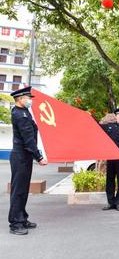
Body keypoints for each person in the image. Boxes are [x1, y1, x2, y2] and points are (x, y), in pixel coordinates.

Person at [8, 86, 48, 235]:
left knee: (23, 190)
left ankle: (22, 217)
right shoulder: (20, 115)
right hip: (20, 157)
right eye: (28, 98)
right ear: (20, 99)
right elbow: (28, 140)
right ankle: (15, 223)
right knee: (18, 191)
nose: (30, 100)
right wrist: (39, 157)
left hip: (24, 156)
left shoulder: (24, 112)